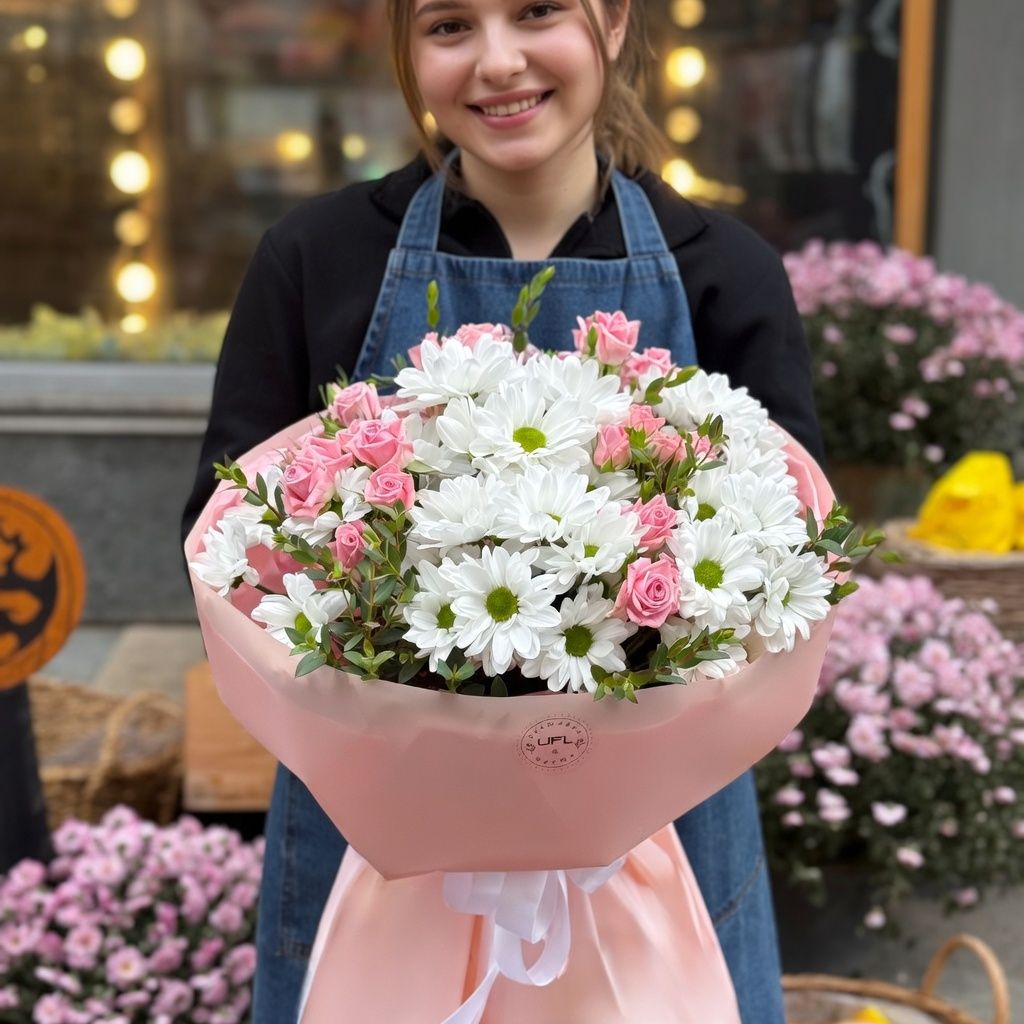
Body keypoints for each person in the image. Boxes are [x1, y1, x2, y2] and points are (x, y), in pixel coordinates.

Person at [181, 0, 824, 1017]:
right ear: (405, 48)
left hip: (665, 838)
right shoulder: (316, 256)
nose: (497, 60)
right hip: (376, 841)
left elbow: (794, 564)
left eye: (535, 12)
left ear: (614, 21)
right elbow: (227, 544)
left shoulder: (724, 268)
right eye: (448, 25)